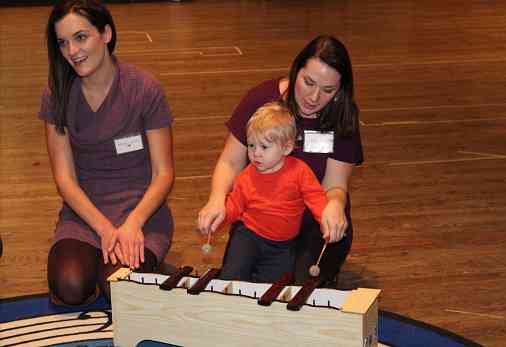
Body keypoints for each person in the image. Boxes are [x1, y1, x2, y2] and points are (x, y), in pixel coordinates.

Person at [39, 0, 175, 306]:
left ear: (106, 34)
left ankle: (151, 266)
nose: (72, 51)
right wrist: (104, 229)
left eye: (81, 37)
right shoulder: (56, 93)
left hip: (140, 214)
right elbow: (65, 179)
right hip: (85, 215)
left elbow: (163, 174)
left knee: (119, 290)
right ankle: (114, 267)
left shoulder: (144, 89)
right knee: (70, 286)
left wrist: (132, 225)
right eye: (63, 42)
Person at [198, 35, 363, 286]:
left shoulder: (343, 115)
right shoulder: (261, 99)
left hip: (314, 219)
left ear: (340, 90)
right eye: (308, 82)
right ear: (296, 70)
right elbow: (230, 162)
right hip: (260, 216)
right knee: (237, 280)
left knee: (297, 288)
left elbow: (335, 185)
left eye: (328, 90)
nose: (314, 97)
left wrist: (335, 206)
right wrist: (217, 199)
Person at [199, 101, 328, 283]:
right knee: (232, 276)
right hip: (249, 236)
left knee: (273, 288)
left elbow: (316, 198)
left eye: (264, 147)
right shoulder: (246, 176)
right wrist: (219, 217)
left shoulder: (300, 172)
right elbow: (235, 205)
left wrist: (326, 218)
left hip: (283, 246)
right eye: (251, 146)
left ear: (287, 147)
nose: (256, 153)